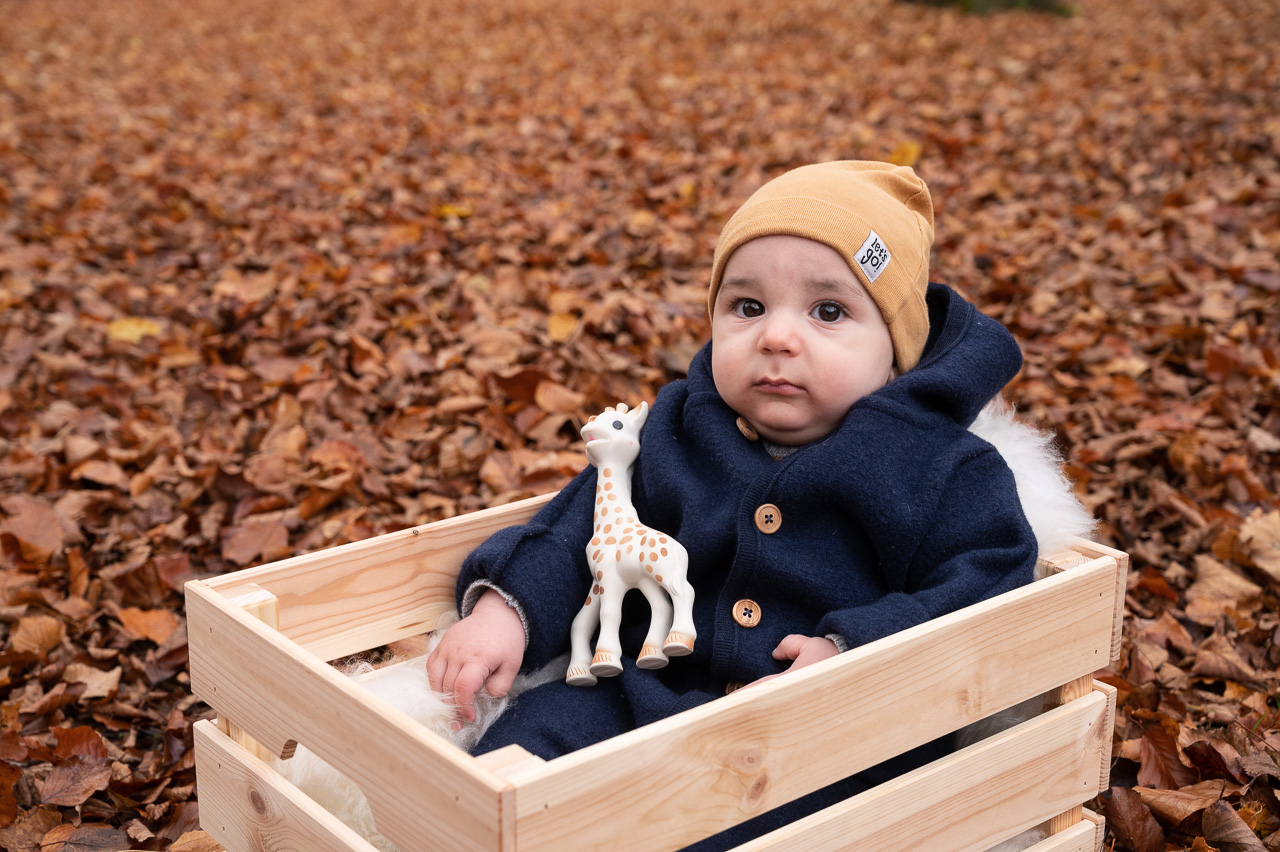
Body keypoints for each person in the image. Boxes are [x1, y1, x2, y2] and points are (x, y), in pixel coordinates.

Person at [426, 160, 1039, 848]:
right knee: (525, 751)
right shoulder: (680, 426)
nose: (776, 337)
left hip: (825, 737)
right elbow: (580, 528)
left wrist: (853, 650)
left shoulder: (937, 465)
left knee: (736, 827)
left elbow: (989, 580)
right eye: (748, 307)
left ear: (895, 355)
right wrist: (506, 611)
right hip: (647, 691)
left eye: (828, 311)